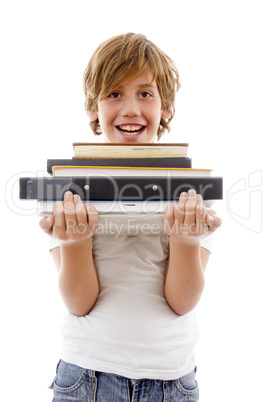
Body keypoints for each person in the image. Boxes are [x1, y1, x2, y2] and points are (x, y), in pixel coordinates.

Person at [40, 32, 222, 401]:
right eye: (113, 94)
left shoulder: (190, 196)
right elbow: (79, 303)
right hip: (86, 374)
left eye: (145, 93)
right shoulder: (68, 193)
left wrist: (185, 241)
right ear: (94, 108)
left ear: (165, 107)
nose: (130, 109)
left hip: (171, 380)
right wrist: (74, 242)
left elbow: (182, 302)